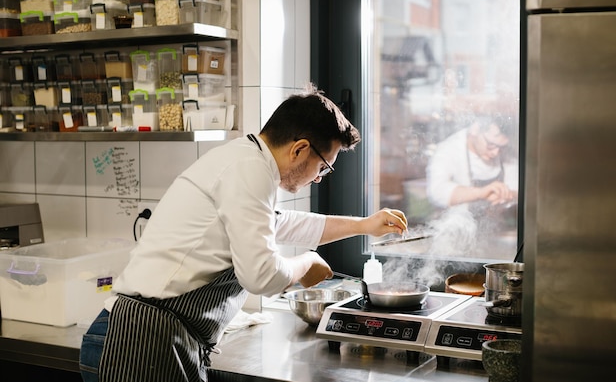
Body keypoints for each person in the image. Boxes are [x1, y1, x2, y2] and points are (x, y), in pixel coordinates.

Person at [79, 84, 408, 382]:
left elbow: (282, 223)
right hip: (137, 341)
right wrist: (306, 263)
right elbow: (261, 277)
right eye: (323, 167)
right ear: (300, 149)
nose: (319, 178)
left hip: (150, 336)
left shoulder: (247, 162)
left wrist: (364, 225)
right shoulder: (249, 170)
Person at [426, 114, 518, 220]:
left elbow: (518, 186)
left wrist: (505, 195)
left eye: (501, 147)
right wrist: (481, 193)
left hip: (496, 224)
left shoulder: (504, 150)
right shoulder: (448, 150)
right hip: (459, 227)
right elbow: (437, 192)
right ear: (475, 129)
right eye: (491, 145)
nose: (495, 153)